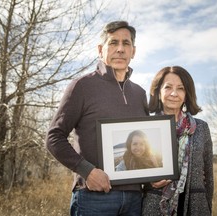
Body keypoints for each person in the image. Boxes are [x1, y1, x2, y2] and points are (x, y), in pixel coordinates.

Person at [45, 21, 149, 216]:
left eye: (126, 43)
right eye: (113, 43)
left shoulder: (140, 94)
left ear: (133, 51)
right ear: (101, 49)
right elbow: (54, 137)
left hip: (135, 199)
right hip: (94, 198)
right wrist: (87, 171)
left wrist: (155, 175)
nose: (120, 49)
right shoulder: (82, 86)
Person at [142, 66, 214, 216]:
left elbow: (208, 175)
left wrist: (207, 206)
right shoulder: (146, 126)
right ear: (158, 91)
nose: (174, 93)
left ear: (187, 94)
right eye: (168, 87)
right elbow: (135, 170)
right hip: (155, 205)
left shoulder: (201, 127)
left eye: (180, 88)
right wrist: (149, 182)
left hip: (195, 206)